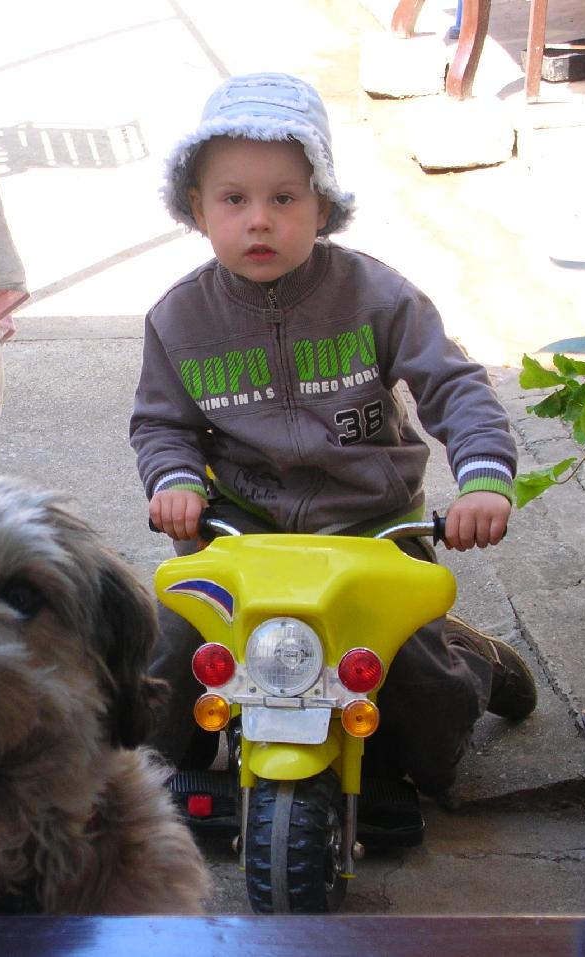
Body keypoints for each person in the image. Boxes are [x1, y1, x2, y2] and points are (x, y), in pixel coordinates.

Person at [130, 72, 537, 801]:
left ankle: (471, 660)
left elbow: (453, 384)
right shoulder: (179, 318)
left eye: (284, 198)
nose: (259, 220)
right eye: (234, 199)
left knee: (426, 716)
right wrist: (176, 482)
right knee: (166, 668)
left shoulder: (379, 297)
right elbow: (162, 423)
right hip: (241, 533)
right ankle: (177, 766)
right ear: (197, 208)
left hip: (370, 529)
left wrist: (483, 477)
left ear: (322, 205)